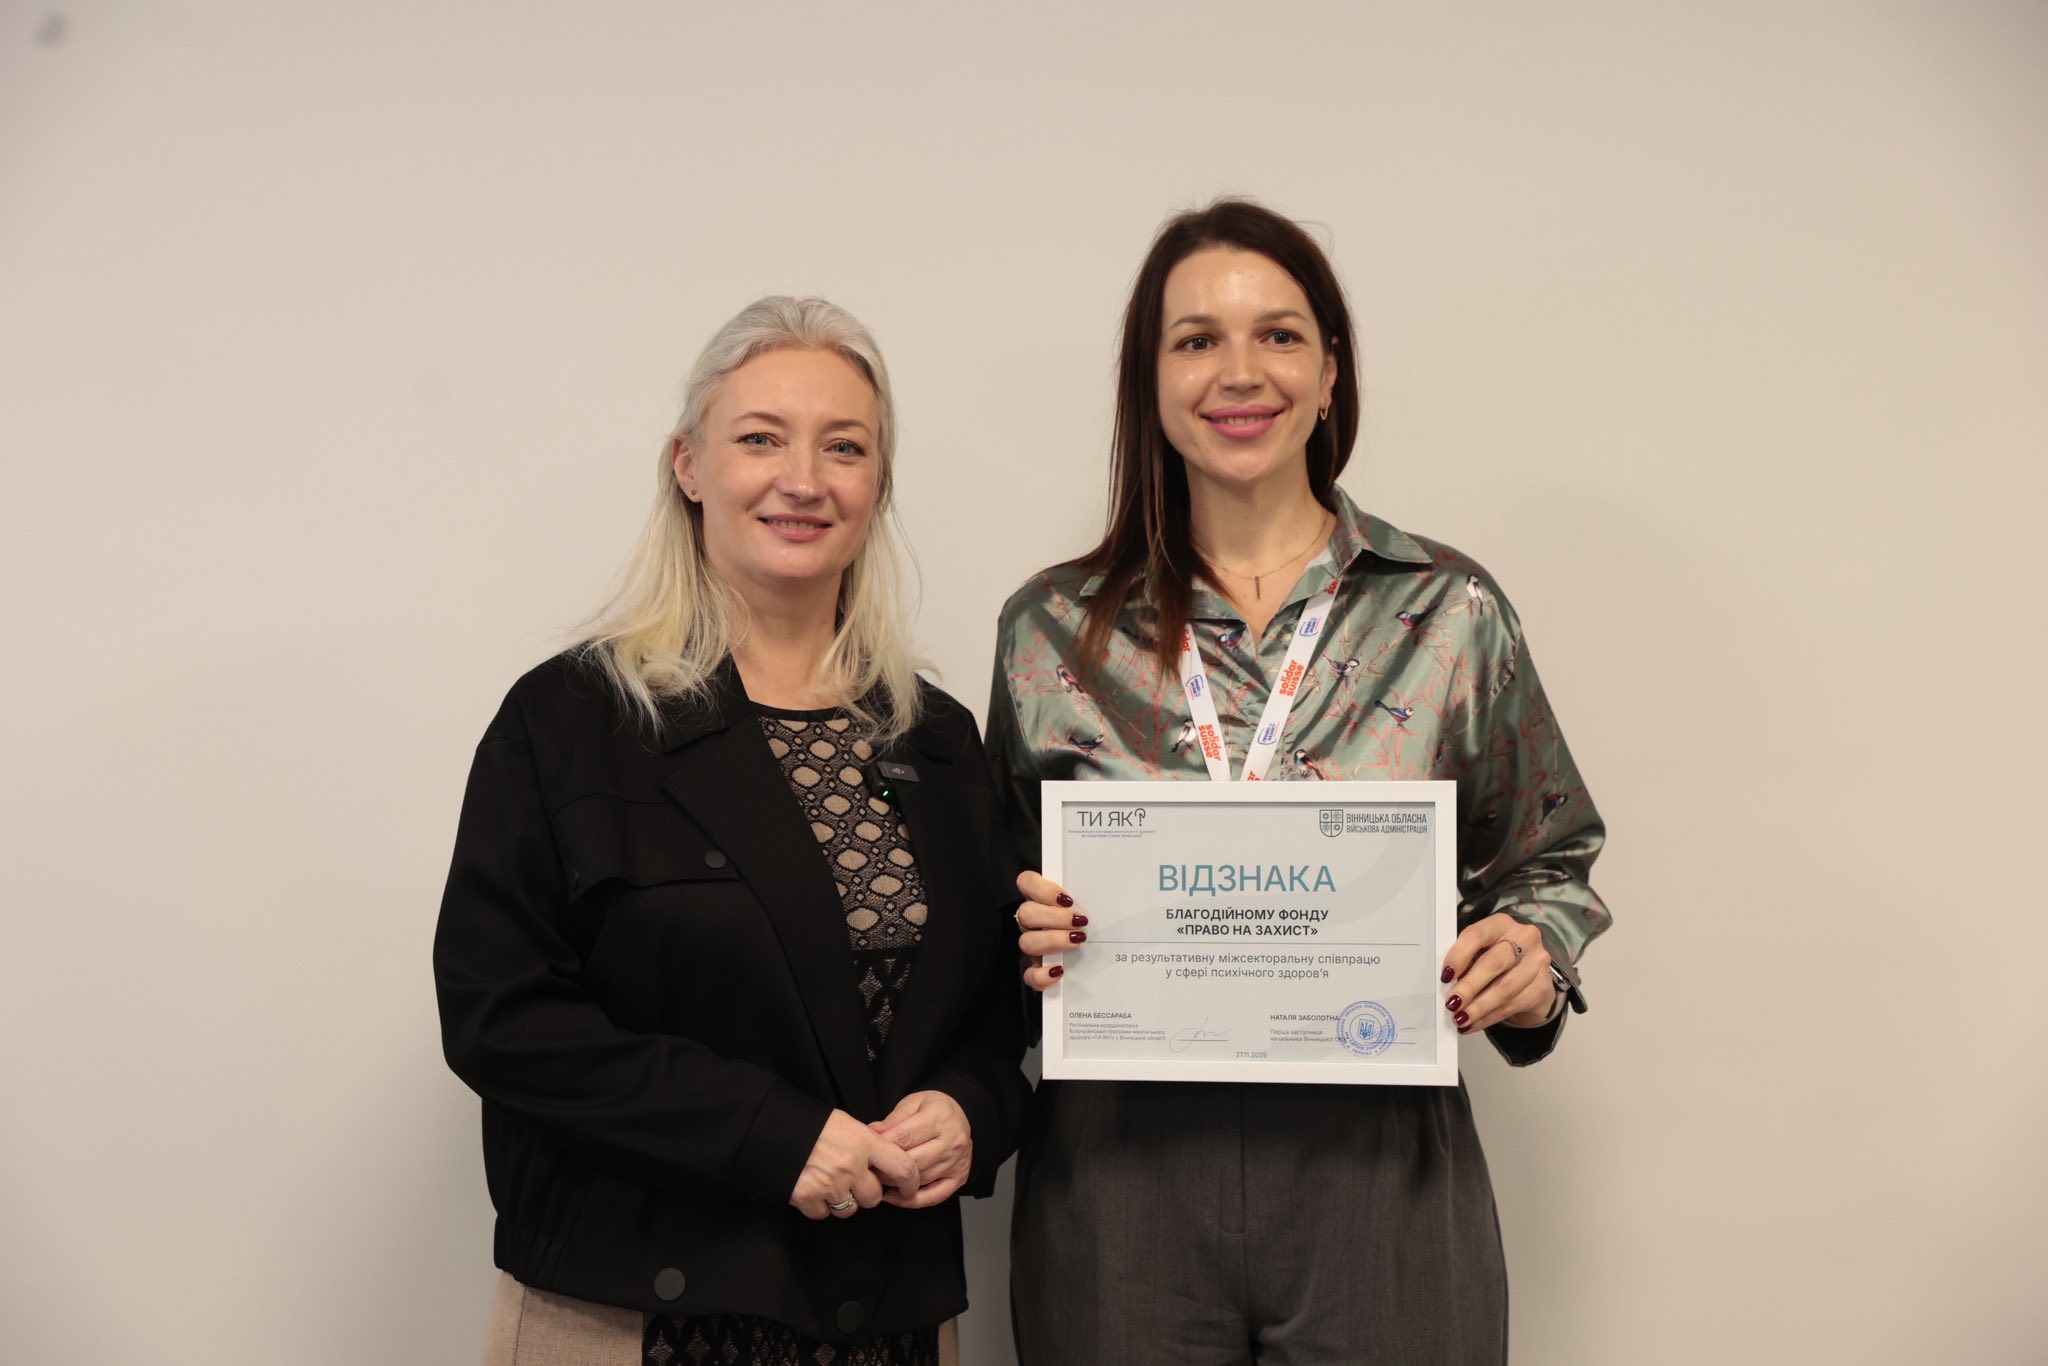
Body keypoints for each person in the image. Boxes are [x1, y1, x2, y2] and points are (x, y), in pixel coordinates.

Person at [991, 200, 1614, 1365]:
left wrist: (1531, 958)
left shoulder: (1448, 611)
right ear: (1148, 381)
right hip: (1121, 1172)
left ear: (1330, 372)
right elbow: (989, 907)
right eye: (1195, 340)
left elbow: (1549, 856)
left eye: (1277, 335)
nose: (1240, 372)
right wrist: (1017, 934)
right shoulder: (1049, 631)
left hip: (1378, 1165)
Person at [435, 296, 1031, 1366]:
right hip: (625, 1318)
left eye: (843, 446)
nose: (802, 479)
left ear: (877, 484)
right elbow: (500, 1017)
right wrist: (767, 1134)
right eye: (760, 438)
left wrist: (971, 1109)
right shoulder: (571, 720)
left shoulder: (937, 741)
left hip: (888, 1320)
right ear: (689, 465)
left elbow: (993, 1010)